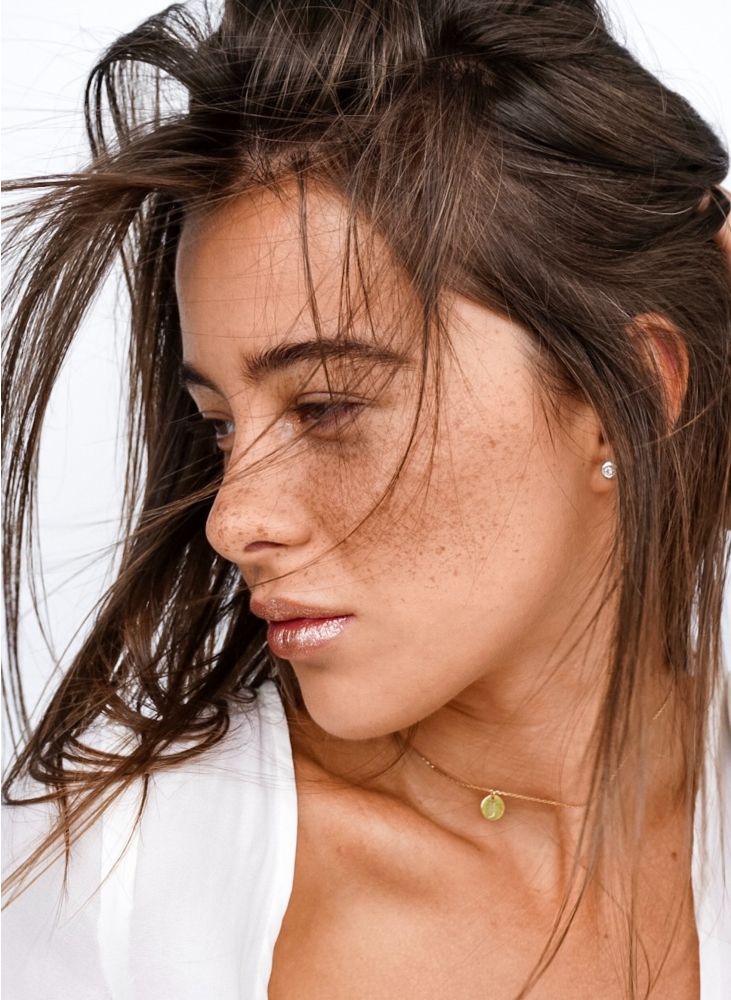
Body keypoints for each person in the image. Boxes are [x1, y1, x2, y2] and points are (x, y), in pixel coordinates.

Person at [2, 1, 730, 997]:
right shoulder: (122, 883)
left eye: (329, 405)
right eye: (220, 424)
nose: (231, 519)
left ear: (629, 392)